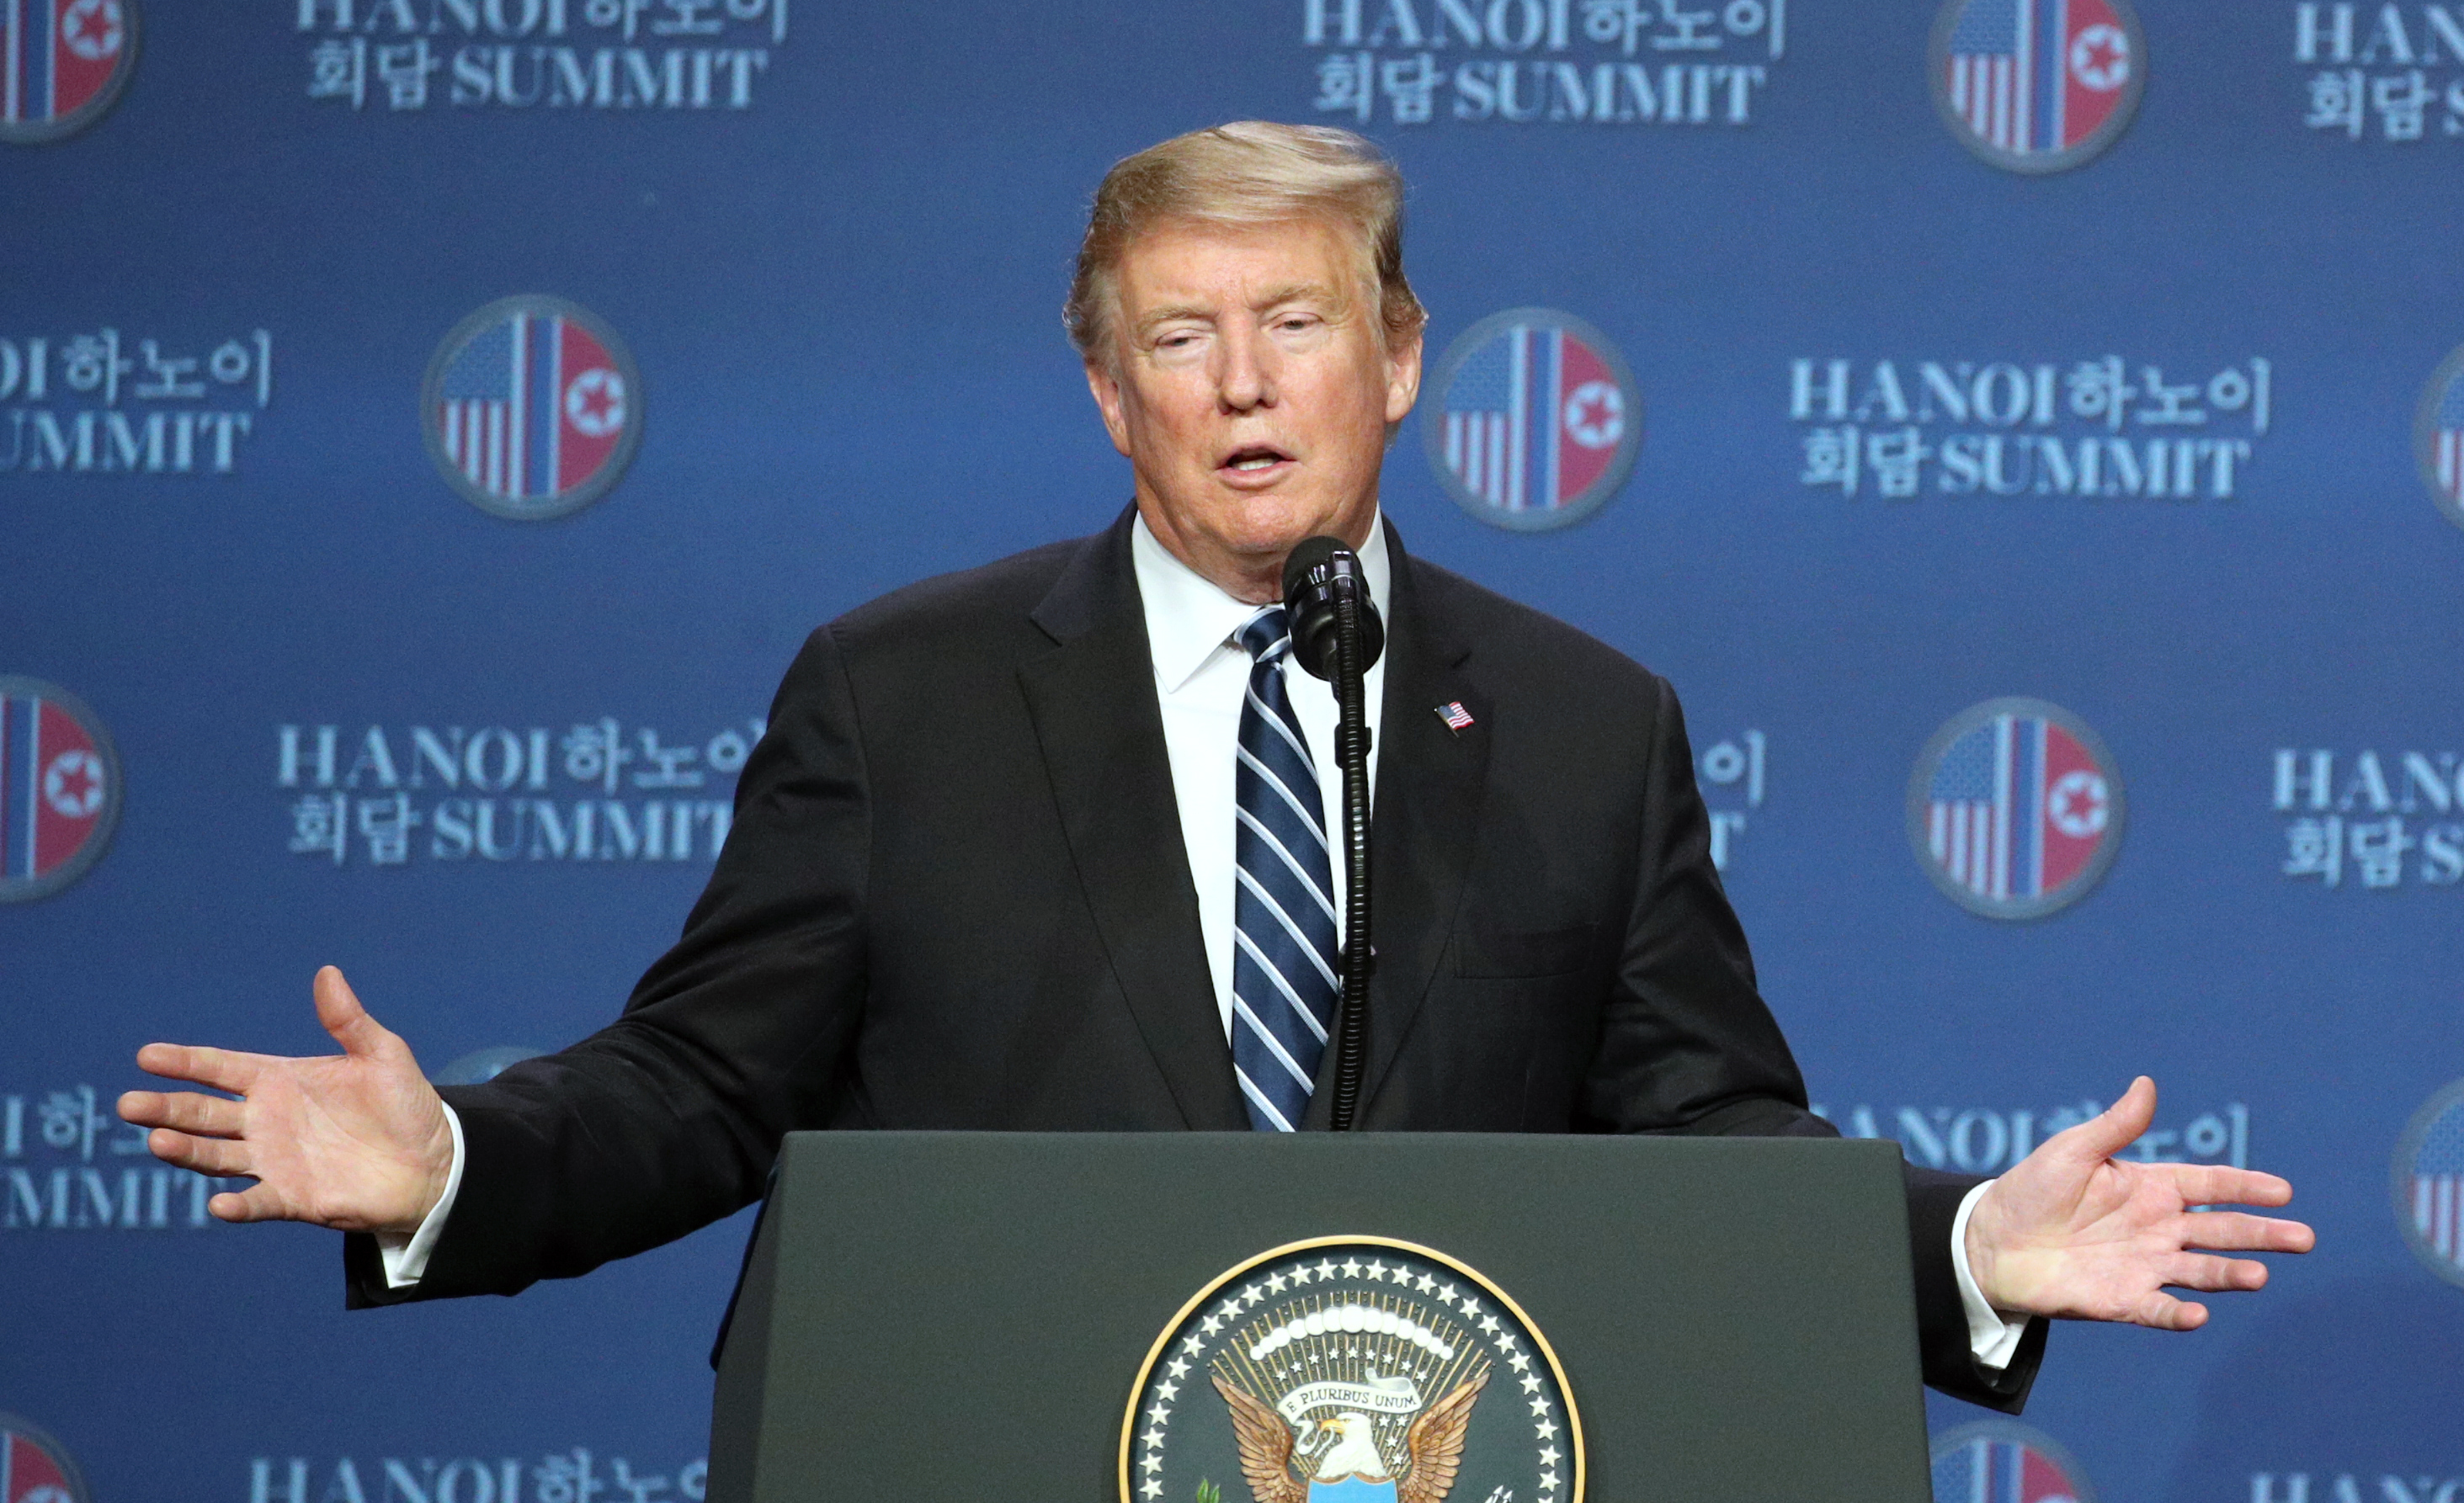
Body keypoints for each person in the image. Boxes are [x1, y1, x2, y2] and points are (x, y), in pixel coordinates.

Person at [118, 123, 2308, 1410]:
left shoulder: (1578, 723)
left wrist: (1969, 1261)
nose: (1246, 387)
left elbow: (1703, 1145)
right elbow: (708, 1084)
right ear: (1106, 392)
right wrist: (457, 1173)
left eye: (1299, 325)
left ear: (1405, 361)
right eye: (1181, 336)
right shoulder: (907, 695)